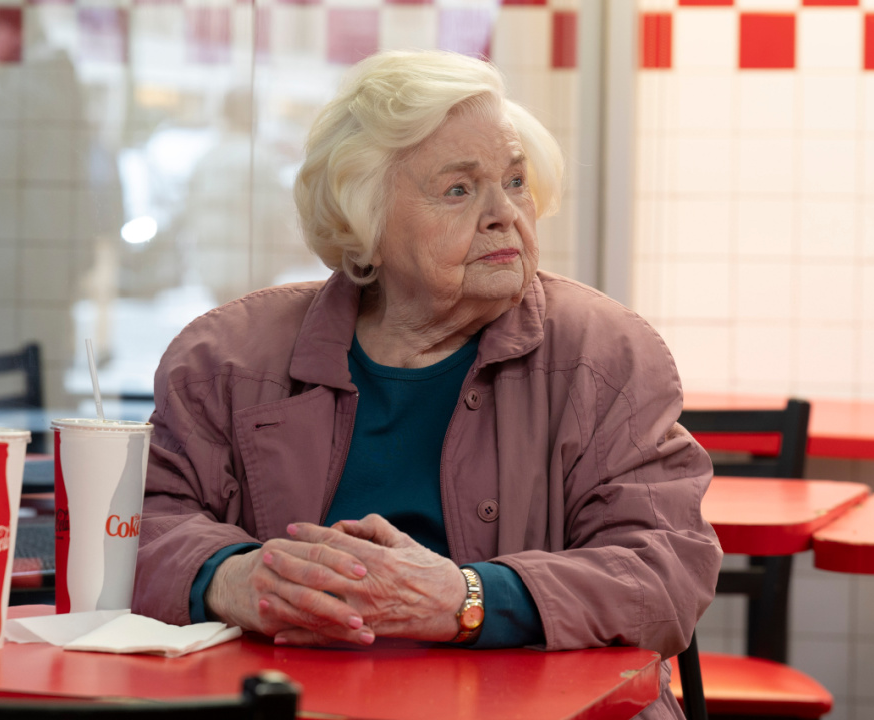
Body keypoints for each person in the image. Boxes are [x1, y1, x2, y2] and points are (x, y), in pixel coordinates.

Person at [133, 50, 721, 719]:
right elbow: (137, 523)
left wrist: (465, 598)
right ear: (367, 226)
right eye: (460, 189)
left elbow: (665, 568)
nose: (505, 214)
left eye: (517, 180)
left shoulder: (605, 352)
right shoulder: (227, 358)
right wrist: (230, 576)